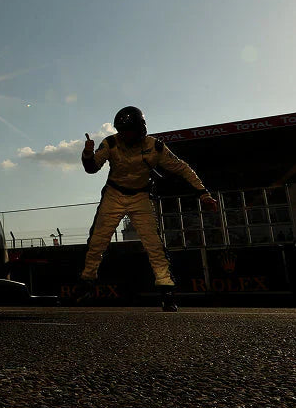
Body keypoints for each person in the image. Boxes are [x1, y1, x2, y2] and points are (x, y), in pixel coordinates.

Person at [79, 106, 218, 312]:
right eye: (122, 131)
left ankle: (167, 289)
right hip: (113, 195)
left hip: (141, 197)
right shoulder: (111, 142)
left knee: (154, 244)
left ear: (140, 128)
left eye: (129, 131)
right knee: (97, 241)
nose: (125, 135)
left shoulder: (156, 147)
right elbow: (92, 168)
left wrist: (203, 193)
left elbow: (182, 167)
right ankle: (87, 283)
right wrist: (88, 153)